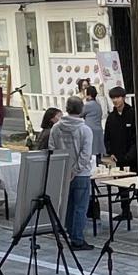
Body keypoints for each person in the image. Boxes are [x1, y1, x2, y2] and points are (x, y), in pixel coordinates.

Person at [48, 99, 96, 250]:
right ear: (81, 109)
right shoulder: (85, 130)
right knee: (80, 207)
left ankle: (68, 232)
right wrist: (75, 170)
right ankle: (77, 239)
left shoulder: (56, 128)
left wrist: (64, 168)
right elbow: (86, 154)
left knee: (67, 205)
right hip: (81, 174)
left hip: (63, 171)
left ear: (67, 108)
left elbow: (52, 149)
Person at [102, 86, 136, 170]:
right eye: (113, 98)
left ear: (124, 98)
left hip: (133, 159)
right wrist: (111, 153)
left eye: (117, 97)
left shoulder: (132, 113)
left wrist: (131, 154)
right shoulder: (111, 117)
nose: (115, 100)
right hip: (117, 158)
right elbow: (107, 137)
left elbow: (136, 136)